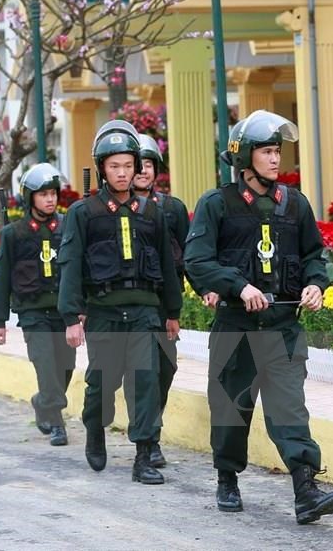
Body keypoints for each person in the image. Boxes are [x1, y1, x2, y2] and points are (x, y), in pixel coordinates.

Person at [184, 109, 333, 524]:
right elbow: (197, 261)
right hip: (235, 327)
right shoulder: (216, 204)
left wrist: (315, 285)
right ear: (244, 158)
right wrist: (239, 286)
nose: (276, 159)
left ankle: (306, 489)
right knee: (231, 410)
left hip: (283, 328)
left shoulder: (295, 204)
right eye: (267, 152)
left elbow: (313, 256)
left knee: (290, 409)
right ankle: (227, 478)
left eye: (278, 151)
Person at [57, 120, 182, 485]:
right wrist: (70, 317)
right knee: (102, 382)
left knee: (145, 379)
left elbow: (167, 265)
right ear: (101, 169)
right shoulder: (83, 213)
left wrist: (172, 312)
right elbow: (71, 264)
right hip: (104, 310)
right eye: (115, 166)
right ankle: (94, 426)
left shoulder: (152, 212)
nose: (124, 173)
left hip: (145, 310)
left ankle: (144, 455)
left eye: (130, 165)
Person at [0, 163, 76, 446]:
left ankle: (43, 402)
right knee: (45, 365)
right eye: (43, 194)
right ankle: (57, 422)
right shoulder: (13, 234)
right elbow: (2, 278)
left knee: (65, 367)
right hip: (33, 313)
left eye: (53, 193)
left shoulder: (67, 227)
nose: (50, 199)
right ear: (30, 198)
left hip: (64, 313)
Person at [131, 133, 190, 469]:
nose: (143, 171)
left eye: (148, 163)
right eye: (137, 164)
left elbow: (191, 254)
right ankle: (149, 441)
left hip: (165, 304)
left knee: (165, 368)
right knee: (144, 371)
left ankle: (149, 425)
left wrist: (207, 288)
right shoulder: (110, 210)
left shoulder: (172, 208)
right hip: (131, 305)